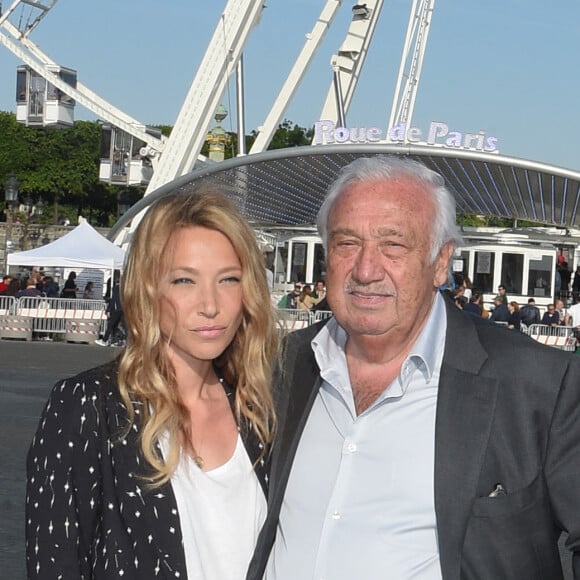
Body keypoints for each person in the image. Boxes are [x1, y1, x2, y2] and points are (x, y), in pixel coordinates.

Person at [247, 155, 580, 580]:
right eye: (347, 243)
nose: (366, 270)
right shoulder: (277, 365)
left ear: (441, 262)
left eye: (394, 245)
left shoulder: (537, 384)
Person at [26, 190, 278, 579]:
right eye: (184, 281)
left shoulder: (257, 410)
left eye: (228, 279)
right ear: (147, 288)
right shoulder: (89, 407)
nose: (210, 305)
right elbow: (55, 565)